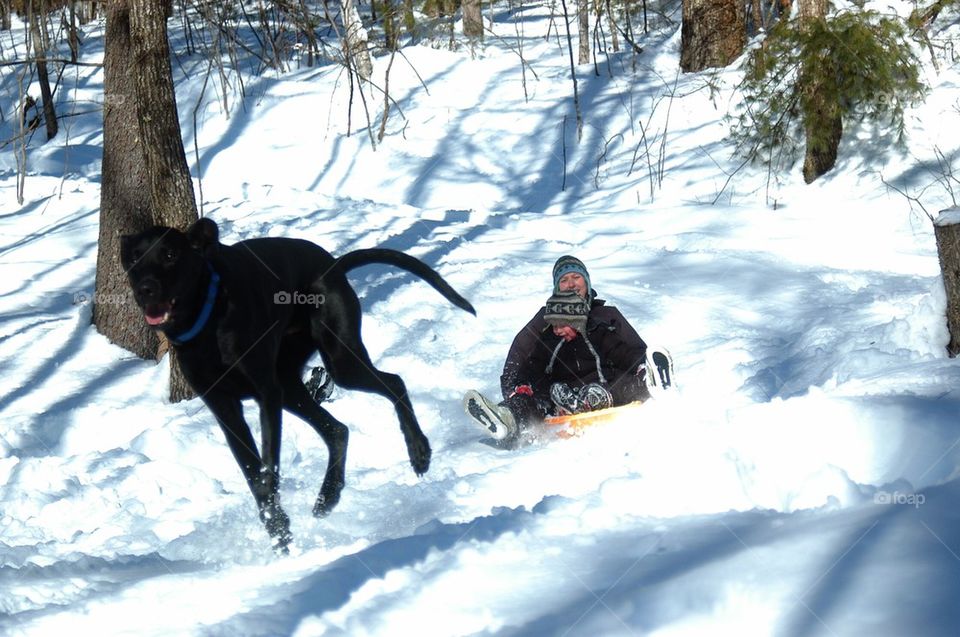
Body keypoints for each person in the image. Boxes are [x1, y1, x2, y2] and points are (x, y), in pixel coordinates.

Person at [464, 255, 652, 444]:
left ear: (586, 281)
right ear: (556, 287)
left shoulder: (606, 316)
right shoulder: (545, 321)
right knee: (533, 398)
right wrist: (517, 389)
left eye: (576, 277)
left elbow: (631, 350)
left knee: (630, 382)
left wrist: (643, 367)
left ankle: (651, 384)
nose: (571, 284)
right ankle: (506, 418)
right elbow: (522, 358)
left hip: (607, 387)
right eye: (564, 280)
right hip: (560, 397)